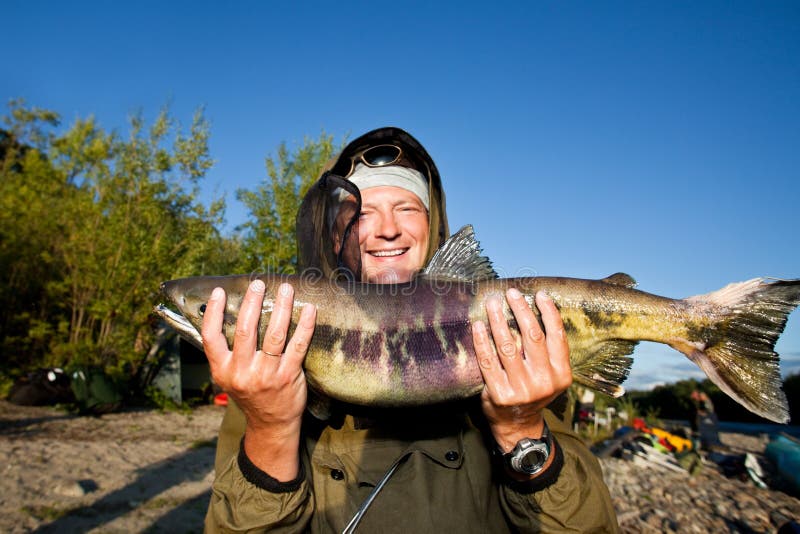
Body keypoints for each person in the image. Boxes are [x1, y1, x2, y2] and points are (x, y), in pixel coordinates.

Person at [202, 127, 618, 532]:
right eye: (363, 213)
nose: (387, 228)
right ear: (334, 236)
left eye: (406, 208)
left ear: (433, 225)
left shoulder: (527, 353)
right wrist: (271, 428)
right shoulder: (261, 377)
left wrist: (522, 430)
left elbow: (591, 527)